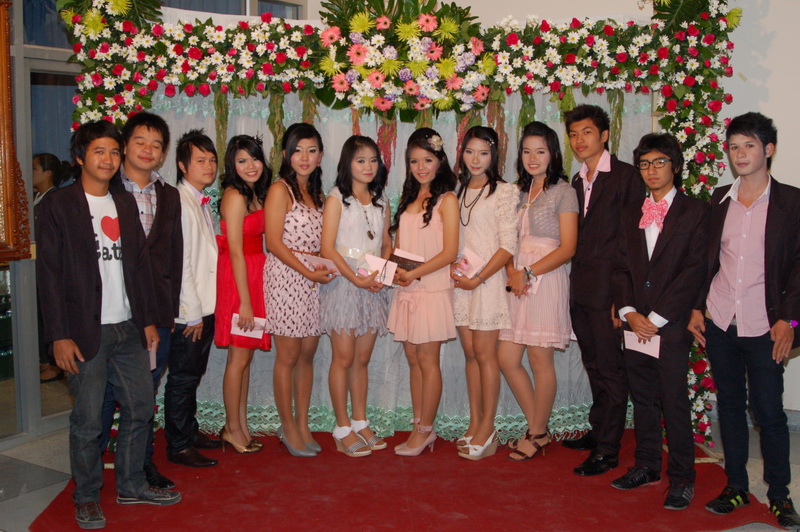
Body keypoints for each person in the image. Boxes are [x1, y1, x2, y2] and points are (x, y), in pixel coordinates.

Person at [36, 121, 181, 530]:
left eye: (114, 152)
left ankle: (131, 484)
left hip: (128, 327)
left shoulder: (123, 203)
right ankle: (86, 497)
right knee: (87, 419)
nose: (109, 159)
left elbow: (138, 268)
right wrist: (58, 336)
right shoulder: (59, 205)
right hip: (85, 332)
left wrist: (148, 321)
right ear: (80, 157)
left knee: (141, 407)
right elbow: (49, 276)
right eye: (99, 151)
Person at [688, 112, 800, 528]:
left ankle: (779, 494)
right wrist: (697, 307)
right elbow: (706, 260)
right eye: (734, 146)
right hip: (721, 320)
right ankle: (735, 485)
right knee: (731, 405)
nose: (740, 154)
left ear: (768, 149)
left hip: (766, 326)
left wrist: (790, 320)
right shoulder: (719, 199)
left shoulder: (791, 202)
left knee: (769, 412)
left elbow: (798, 267)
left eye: (749, 145)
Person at [611, 133, 709, 510]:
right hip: (635, 322)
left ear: (676, 166)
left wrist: (655, 317)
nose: (652, 170)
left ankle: (682, 478)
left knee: (673, 400)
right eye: (645, 164)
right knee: (643, 398)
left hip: (670, 323)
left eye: (659, 162)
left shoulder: (696, 211)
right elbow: (620, 267)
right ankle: (647, 465)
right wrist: (629, 312)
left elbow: (694, 270)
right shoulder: (629, 212)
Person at [97, 112, 183, 490]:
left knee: (145, 393)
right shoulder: (105, 189)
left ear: (163, 154)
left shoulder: (169, 194)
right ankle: (93, 461)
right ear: (125, 146)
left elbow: (174, 256)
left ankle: (141, 464)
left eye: (156, 145)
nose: (148, 150)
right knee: (103, 392)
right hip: (113, 310)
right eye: (140, 142)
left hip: (157, 312)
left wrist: (171, 310)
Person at [561, 104, 646, 476]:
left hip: (610, 293)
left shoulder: (626, 177)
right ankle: (599, 432)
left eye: (587, 132)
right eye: (574, 134)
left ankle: (608, 450)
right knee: (593, 364)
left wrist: (622, 299)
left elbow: (632, 240)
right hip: (581, 288)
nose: (579, 140)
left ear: (605, 135)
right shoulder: (576, 180)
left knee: (611, 369)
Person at [497, 121, 578, 461]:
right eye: (527, 151)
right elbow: (506, 239)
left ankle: (536, 432)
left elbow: (568, 247)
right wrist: (512, 271)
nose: (533, 158)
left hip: (545, 278)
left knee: (539, 359)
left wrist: (528, 273)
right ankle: (539, 429)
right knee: (506, 358)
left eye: (540, 151)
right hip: (516, 278)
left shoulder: (564, 191)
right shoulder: (517, 191)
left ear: (553, 154)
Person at [387, 128, 458, 457]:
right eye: (414, 161)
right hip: (408, 289)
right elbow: (401, 249)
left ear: (440, 161)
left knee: (428, 361)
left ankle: (427, 429)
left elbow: (449, 252)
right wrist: (394, 270)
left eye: (427, 160)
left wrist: (413, 274)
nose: (421, 167)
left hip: (431, 290)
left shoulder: (447, 200)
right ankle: (418, 425)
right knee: (413, 359)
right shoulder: (409, 198)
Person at [264, 122, 334, 457]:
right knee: (288, 356)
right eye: (297, 151)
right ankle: (287, 426)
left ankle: (303, 424)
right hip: (286, 278)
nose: (304, 157)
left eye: (311, 150)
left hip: (313, 282)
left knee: (307, 355)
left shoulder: (319, 194)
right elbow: (274, 243)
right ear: (286, 155)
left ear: (320, 156)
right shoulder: (280, 190)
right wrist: (307, 270)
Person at [320, 135, 392, 457]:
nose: (368, 166)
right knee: (344, 358)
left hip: (372, 282)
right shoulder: (337, 197)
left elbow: (386, 243)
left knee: (362, 359)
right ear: (347, 163)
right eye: (360, 160)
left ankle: (361, 422)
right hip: (344, 283)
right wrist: (355, 280)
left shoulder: (382, 199)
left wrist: (382, 273)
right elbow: (327, 248)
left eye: (373, 160)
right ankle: (342, 427)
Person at [450, 126, 517, 460]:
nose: (475, 160)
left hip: (487, 284)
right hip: (464, 284)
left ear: (494, 156)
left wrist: (478, 279)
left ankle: (488, 429)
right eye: (469, 152)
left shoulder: (504, 191)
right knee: (470, 355)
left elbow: (508, 246)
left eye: (483, 153)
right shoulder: (459, 190)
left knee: (486, 355)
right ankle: (475, 422)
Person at [166, 129, 221, 468]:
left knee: (192, 375)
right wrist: (193, 313)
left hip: (204, 305)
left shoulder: (198, 200)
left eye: (212, 160)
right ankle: (179, 445)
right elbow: (181, 262)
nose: (209, 166)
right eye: (200, 160)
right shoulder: (180, 201)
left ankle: (189, 430)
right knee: (183, 378)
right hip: (190, 311)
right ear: (183, 166)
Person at [215, 135, 271, 454]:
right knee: (238, 358)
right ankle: (232, 428)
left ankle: (241, 425)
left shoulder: (255, 192)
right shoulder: (235, 195)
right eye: (242, 160)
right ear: (232, 165)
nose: (250, 166)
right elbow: (235, 251)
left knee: (245, 356)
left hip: (254, 273)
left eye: (254, 158)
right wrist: (246, 302)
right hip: (239, 280)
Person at [33, 152, 70, 383]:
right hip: (36, 265)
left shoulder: (55, 200)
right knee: (40, 313)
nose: (31, 174)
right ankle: (45, 360)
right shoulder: (36, 198)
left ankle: (55, 365)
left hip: (51, 265)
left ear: (47, 173)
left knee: (50, 314)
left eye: (34, 168)